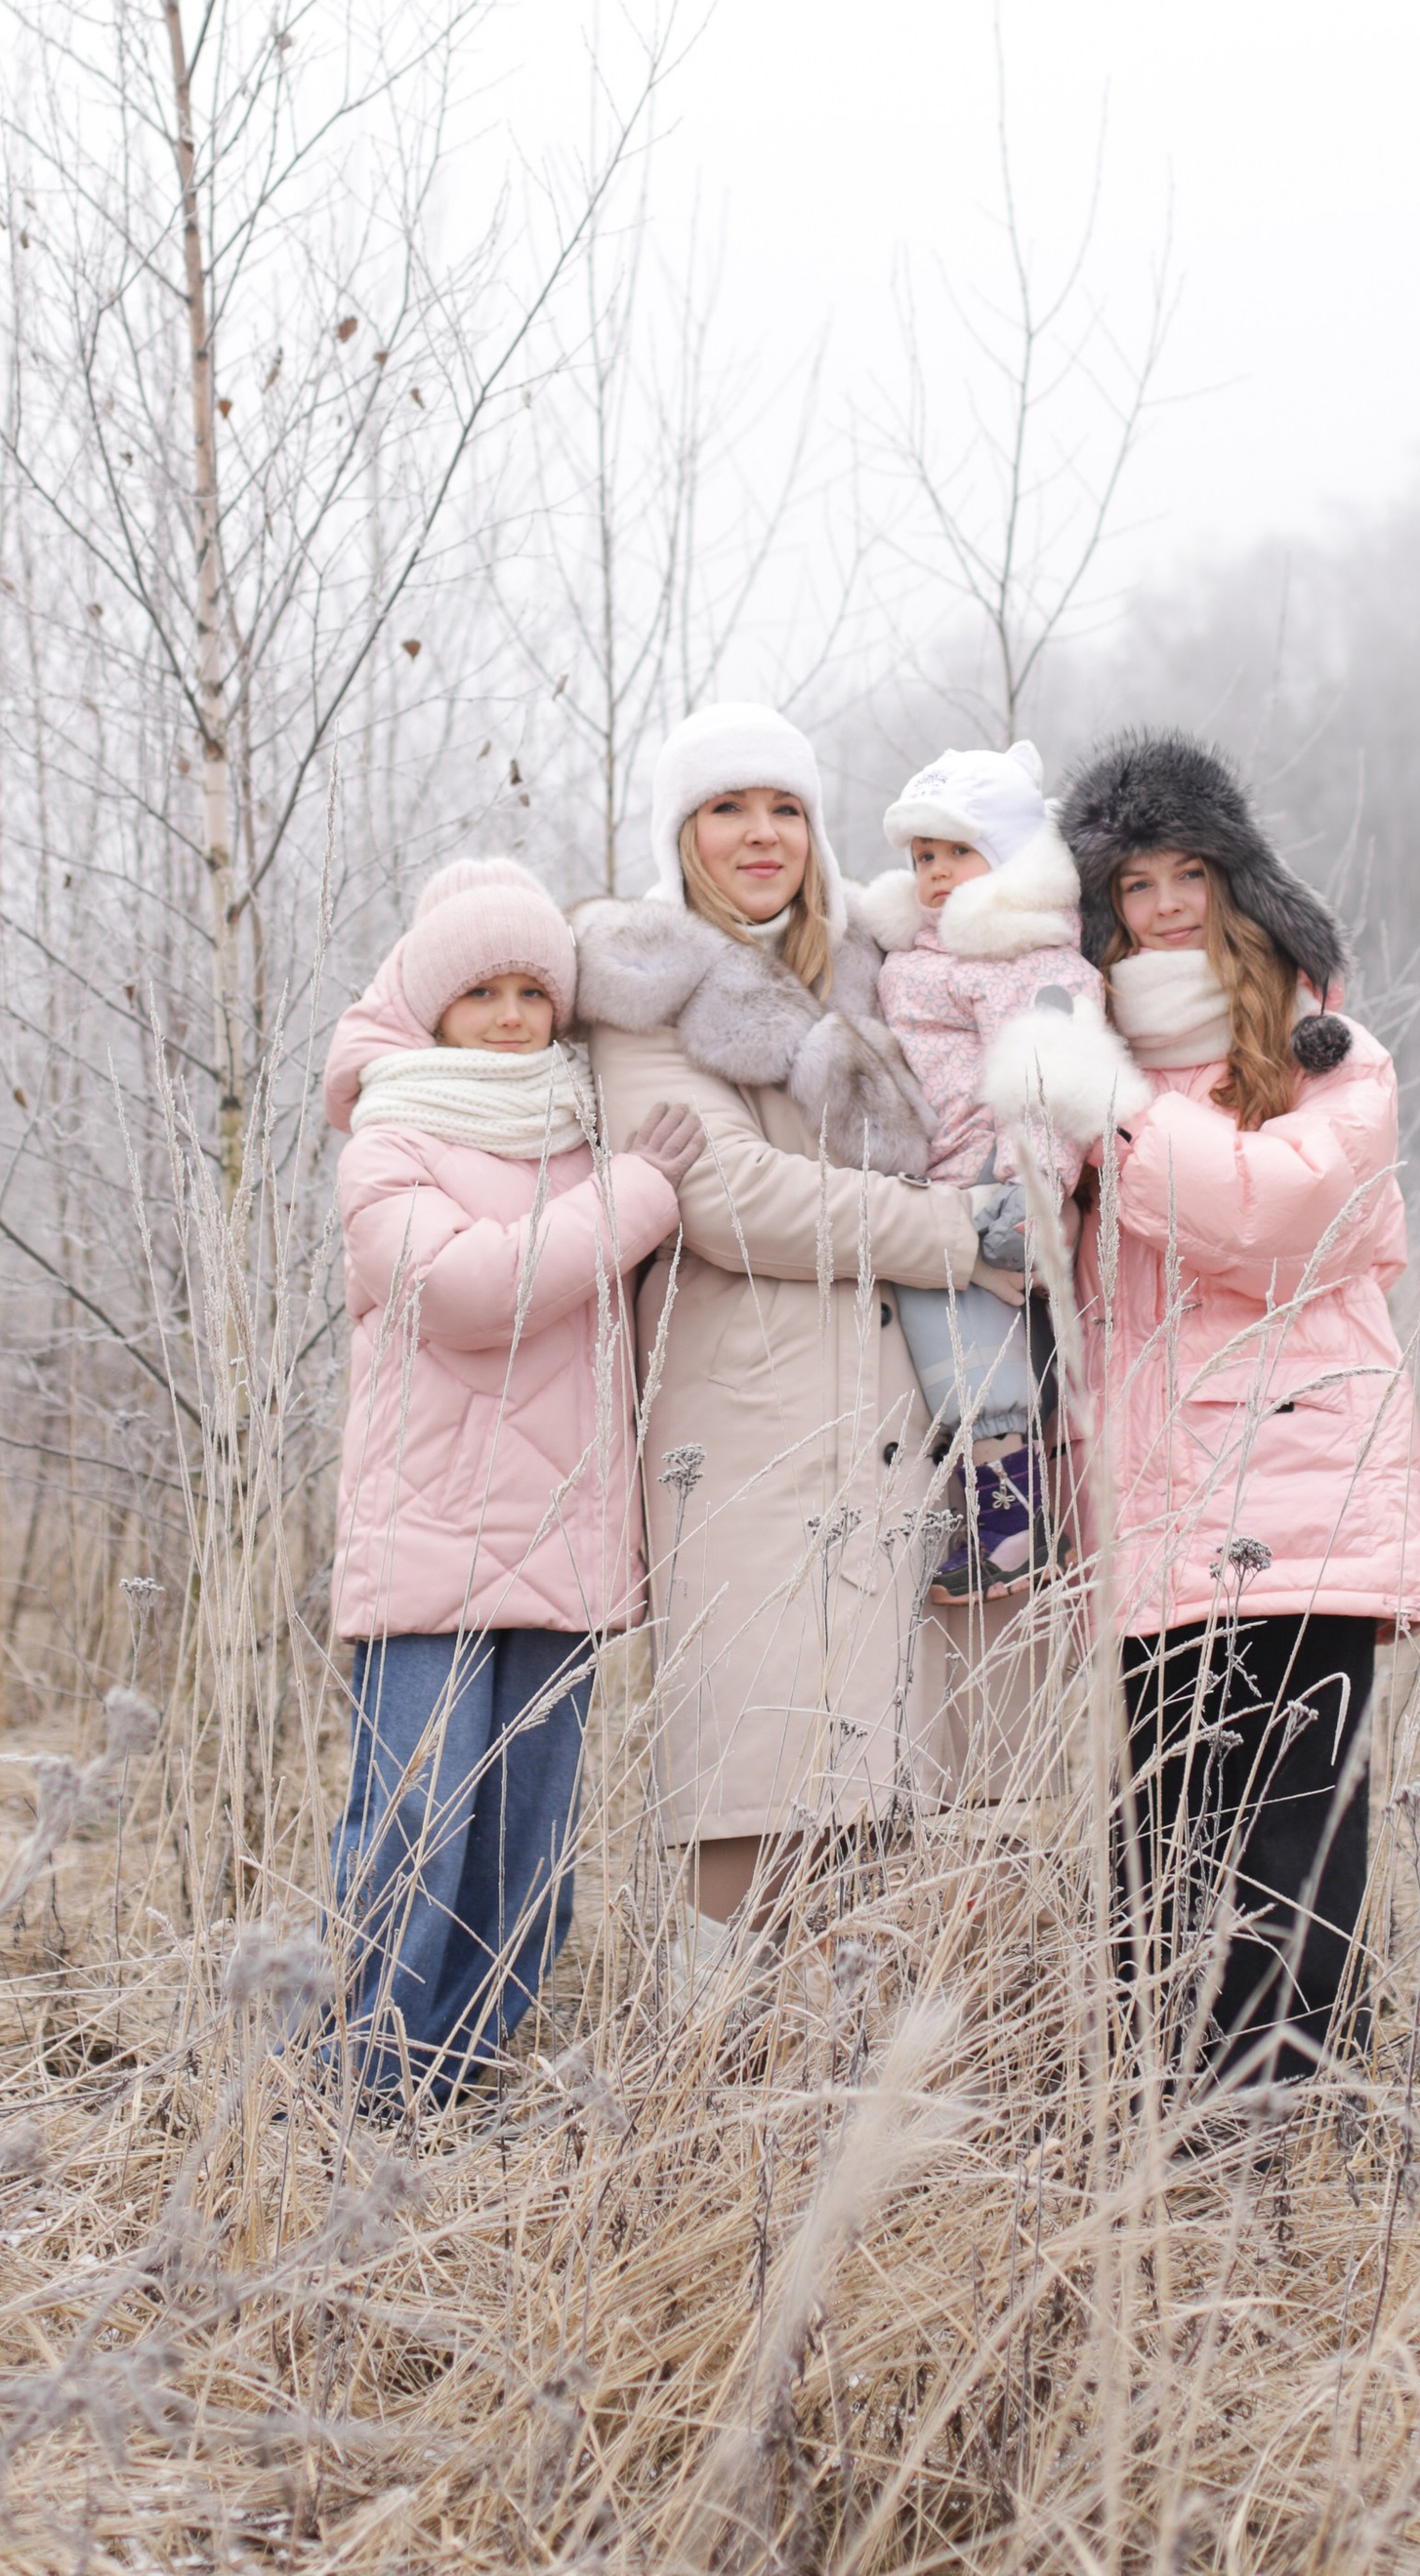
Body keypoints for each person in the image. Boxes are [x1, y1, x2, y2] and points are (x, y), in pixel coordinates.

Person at [575, 699, 998, 1987]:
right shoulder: (642, 990)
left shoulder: (879, 985)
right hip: (745, 1432)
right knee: (750, 1780)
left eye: (786, 808)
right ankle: (704, 2082)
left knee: (889, 1785)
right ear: (680, 831)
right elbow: (729, 1200)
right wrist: (960, 1235)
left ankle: (850, 2097)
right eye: (727, 808)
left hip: (897, 1426)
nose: (761, 835)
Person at [1058, 731, 1420, 2089]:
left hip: (1303, 1479)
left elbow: (1273, 1217)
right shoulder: (1081, 1063)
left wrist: (1115, 1120)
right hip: (1158, 1494)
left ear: (1239, 880)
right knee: (1163, 1823)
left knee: (1300, 1826)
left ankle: (1276, 2110)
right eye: (1134, 883)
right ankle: (1152, 2101)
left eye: (1191, 871)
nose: (1165, 907)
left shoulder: (1327, 1048)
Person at [321, 857, 702, 2099]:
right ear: (431, 1007)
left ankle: (465, 2077)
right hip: (427, 1541)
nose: (506, 1015)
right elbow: (474, 1296)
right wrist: (640, 1194)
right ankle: (368, 2088)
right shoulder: (389, 1138)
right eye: (478, 989)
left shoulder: (583, 1128)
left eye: (531, 990)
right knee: (414, 1825)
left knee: (525, 1845)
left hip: (563, 1539)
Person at [852, 738, 1140, 1600]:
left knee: (966, 1340)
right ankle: (999, 1507)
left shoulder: (1028, 955)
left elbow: (1051, 1075)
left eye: (958, 851)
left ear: (1010, 859)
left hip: (992, 1174)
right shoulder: (929, 949)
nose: (937, 872)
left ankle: (1011, 1524)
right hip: (941, 1172)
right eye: (923, 856)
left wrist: (1030, 1192)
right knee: (947, 1328)